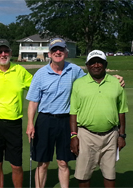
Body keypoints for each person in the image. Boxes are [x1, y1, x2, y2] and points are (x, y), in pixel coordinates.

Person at [25, 38, 125, 188]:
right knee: (43, 162)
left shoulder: (75, 70)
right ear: (49, 54)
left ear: (66, 52)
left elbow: (93, 75)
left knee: (63, 162)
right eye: (54, 50)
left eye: (60, 49)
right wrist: (30, 124)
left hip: (66, 120)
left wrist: (114, 78)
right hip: (45, 120)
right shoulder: (40, 74)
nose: (57, 52)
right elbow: (33, 102)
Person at [69, 50, 128, 188]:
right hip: (86, 135)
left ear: (105, 64)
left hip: (111, 135)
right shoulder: (78, 84)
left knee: (110, 174)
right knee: (83, 175)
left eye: (99, 62)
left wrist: (122, 135)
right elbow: (73, 113)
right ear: (87, 65)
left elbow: (122, 111)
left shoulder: (116, 83)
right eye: (92, 62)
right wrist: (73, 136)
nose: (96, 65)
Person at [0, 39, 33, 188]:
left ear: (11, 53)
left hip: (14, 124)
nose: (3, 54)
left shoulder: (20, 71)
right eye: (0, 52)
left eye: (6, 51)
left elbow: (36, 89)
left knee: (16, 165)